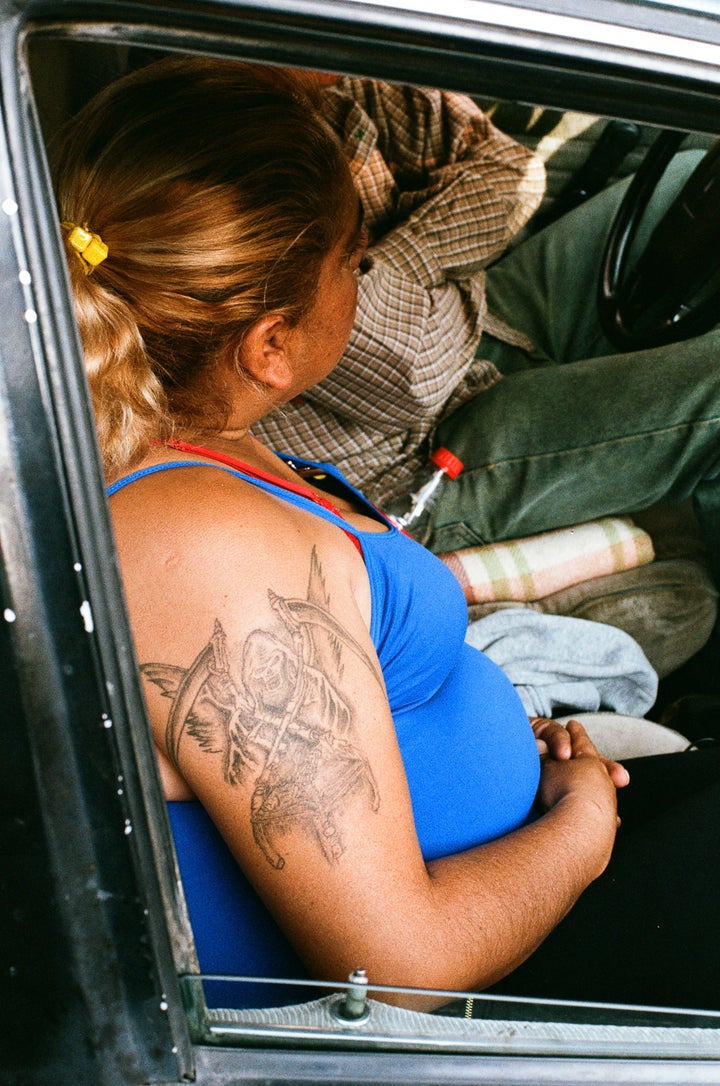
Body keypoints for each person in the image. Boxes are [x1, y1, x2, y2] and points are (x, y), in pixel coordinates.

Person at [54, 54, 720, 1015]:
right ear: (269, 343)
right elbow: (396, 976)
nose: (359, 281)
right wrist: (582, 829)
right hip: (445, 1001)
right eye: (354, 261)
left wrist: (455, 736)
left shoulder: (198, 445)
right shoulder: (197, 541)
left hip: (503, 854)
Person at [252, 76, 720, 580]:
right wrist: (436, 272)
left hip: (476, 318)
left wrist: (391, 270)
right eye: (352, 259)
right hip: (420, 456)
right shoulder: (232, 176)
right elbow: (412, 379)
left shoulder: (338, 83)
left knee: (694, 177)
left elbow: (510, 171)